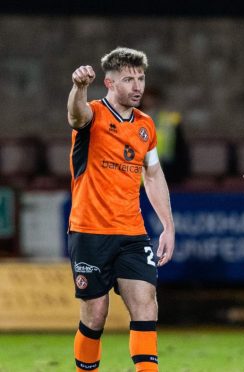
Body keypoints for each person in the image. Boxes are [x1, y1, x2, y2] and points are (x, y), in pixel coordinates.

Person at [67, 47, 175, 371]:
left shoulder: (146, 126)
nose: (137, 85)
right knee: (95, 315)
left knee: (146, 306)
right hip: (90, 231)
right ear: (110, 83)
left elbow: (153, 174)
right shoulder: (93, 114)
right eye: (129, 79)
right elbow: (75, 115)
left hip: (132, 233)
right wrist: (79, 88)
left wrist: (168, 226)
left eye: (140, 78)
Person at [139, 87, 190, 186]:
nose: (150, 101)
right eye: (147, 98)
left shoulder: (170, 119)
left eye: (152, 98)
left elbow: (180, 146)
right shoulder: (131, 118)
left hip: (166, 169)